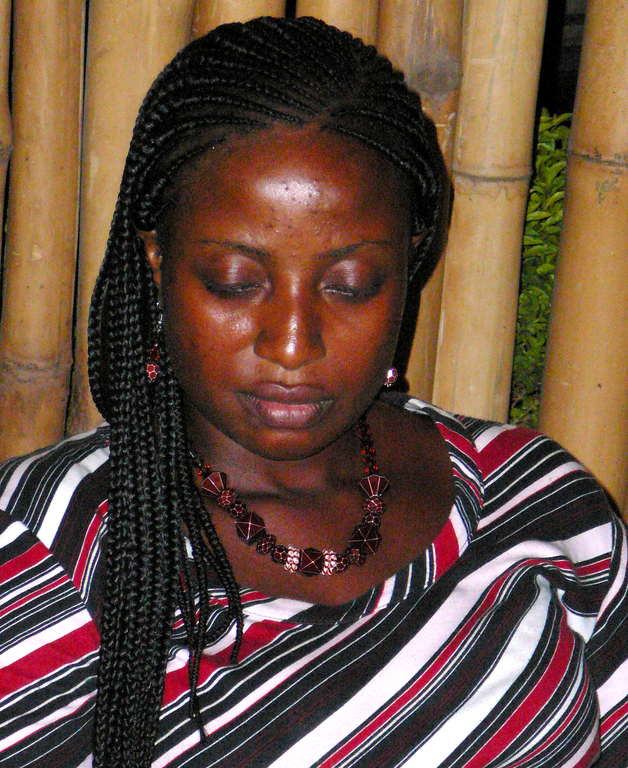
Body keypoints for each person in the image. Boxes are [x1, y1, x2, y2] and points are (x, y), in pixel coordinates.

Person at [0, 15, 626, 768]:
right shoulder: (39, 547)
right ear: (158, 262)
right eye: (235, 282)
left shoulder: (534, 496)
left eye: (350, 285)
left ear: (410, 267)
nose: (293, 344)